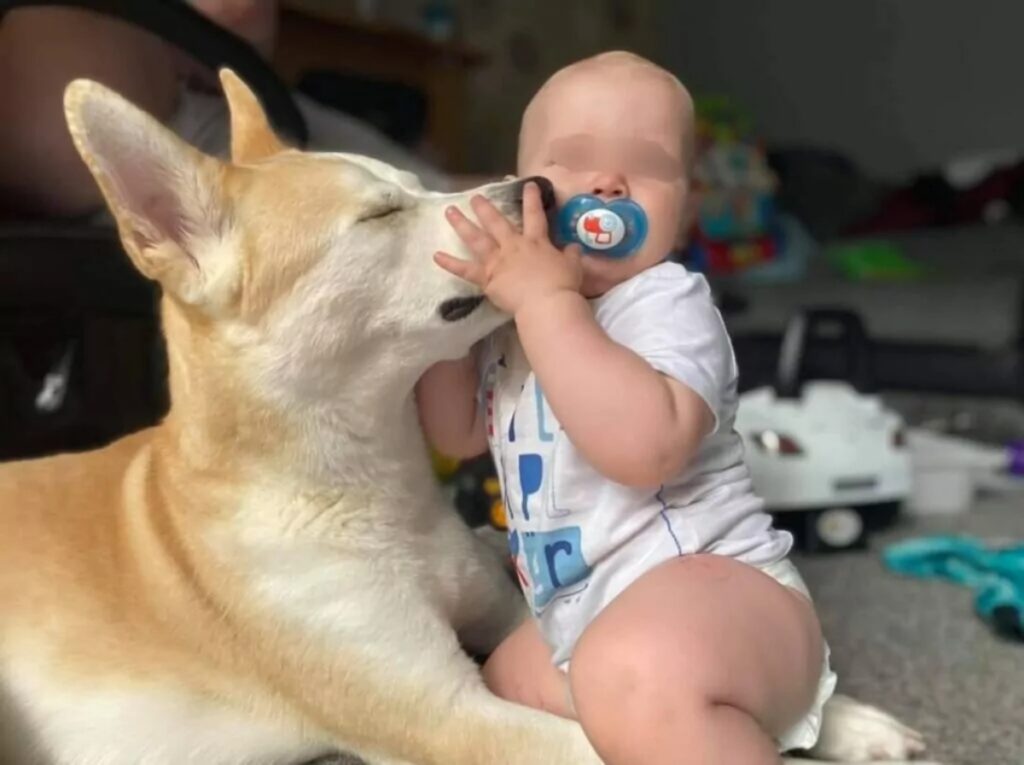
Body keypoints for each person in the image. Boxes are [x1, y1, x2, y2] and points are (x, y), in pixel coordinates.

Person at [416, 51, 836, 765]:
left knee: (633, 670)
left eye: (646, 166)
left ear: (684, 213)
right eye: (575, 160)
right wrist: (445, 316)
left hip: (730, 600)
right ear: (524, 195)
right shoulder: (511, 323)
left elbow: (646, 448)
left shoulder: (666, 303)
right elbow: (455, 433)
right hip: (582, 620)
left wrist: (547, 302)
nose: (609, 183)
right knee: (494, 695)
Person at [0, 2, 448, 219]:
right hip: (186, 121)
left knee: (435, 192)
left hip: (196, 113)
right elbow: (243, 15)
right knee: (437, 206)